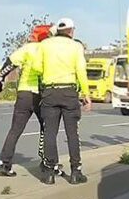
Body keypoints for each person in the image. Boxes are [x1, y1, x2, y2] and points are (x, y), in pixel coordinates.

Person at [31, 17, 91, 185]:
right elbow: (81, 70)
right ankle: (75, 171)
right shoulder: (76, 46)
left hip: (50, 91)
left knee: (50, 132)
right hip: (69, 92)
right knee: (72, 133)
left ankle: (49, 172)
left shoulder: (45, 45)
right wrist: (85, 94)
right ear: (72, 31)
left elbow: (36, 67)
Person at [0, 24, 51, 177]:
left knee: (15, 130)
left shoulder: (27, 49)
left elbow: (10, 62)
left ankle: (5, 163)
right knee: (46, 129)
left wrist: (0, 78)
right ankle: (46, 161)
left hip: (24, 93)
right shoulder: (47, 50)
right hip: (40, 94)